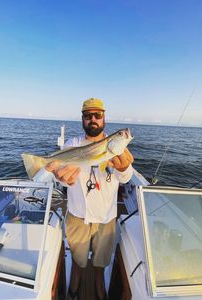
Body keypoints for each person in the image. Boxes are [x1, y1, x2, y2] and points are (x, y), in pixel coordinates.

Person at [46, 98, 134, 300]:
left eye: (97, 115)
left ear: (104, 117)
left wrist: (123, 167)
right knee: (78, 259)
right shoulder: (73, 144)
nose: (93, 119)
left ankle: (98, 285)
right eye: (88, 116)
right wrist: (60, 177)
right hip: (78, 216)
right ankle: (75, 285)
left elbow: (126, 177)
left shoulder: (116, 147)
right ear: (82, 119)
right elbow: (64, 175)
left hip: (106, 218)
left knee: (101, 261)